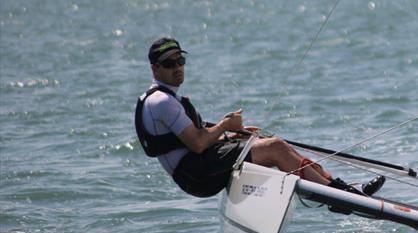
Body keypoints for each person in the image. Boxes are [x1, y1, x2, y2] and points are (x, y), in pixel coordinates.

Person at [134, 36, 385, 203]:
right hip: (196, 175)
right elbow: (198, 144)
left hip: (200, 168)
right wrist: (225, 126)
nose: (177, 67)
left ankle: (341, 188)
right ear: (155, 69)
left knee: (273, 144)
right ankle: (342, 198)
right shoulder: (161, 102)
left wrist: (231, 136)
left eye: (181, 60)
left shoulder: (165, 99)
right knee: (274, 148)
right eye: (169, 64)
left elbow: (191, 142)